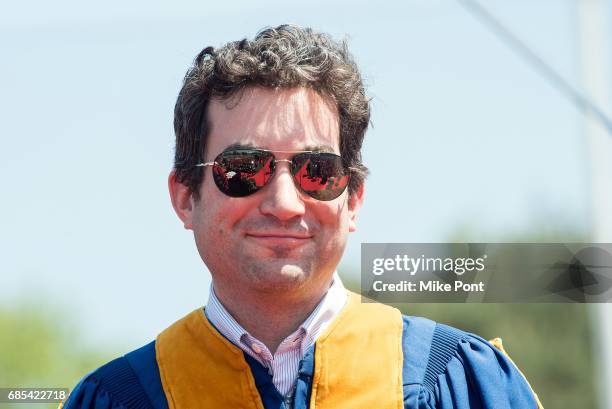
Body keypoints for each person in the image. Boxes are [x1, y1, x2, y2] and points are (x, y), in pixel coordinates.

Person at [61, 24, 543, 409]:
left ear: (352, 200)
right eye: (244, 169)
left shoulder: (459, 384)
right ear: (185, 196)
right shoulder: (119, 398)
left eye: (318, 171)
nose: (285, 203)